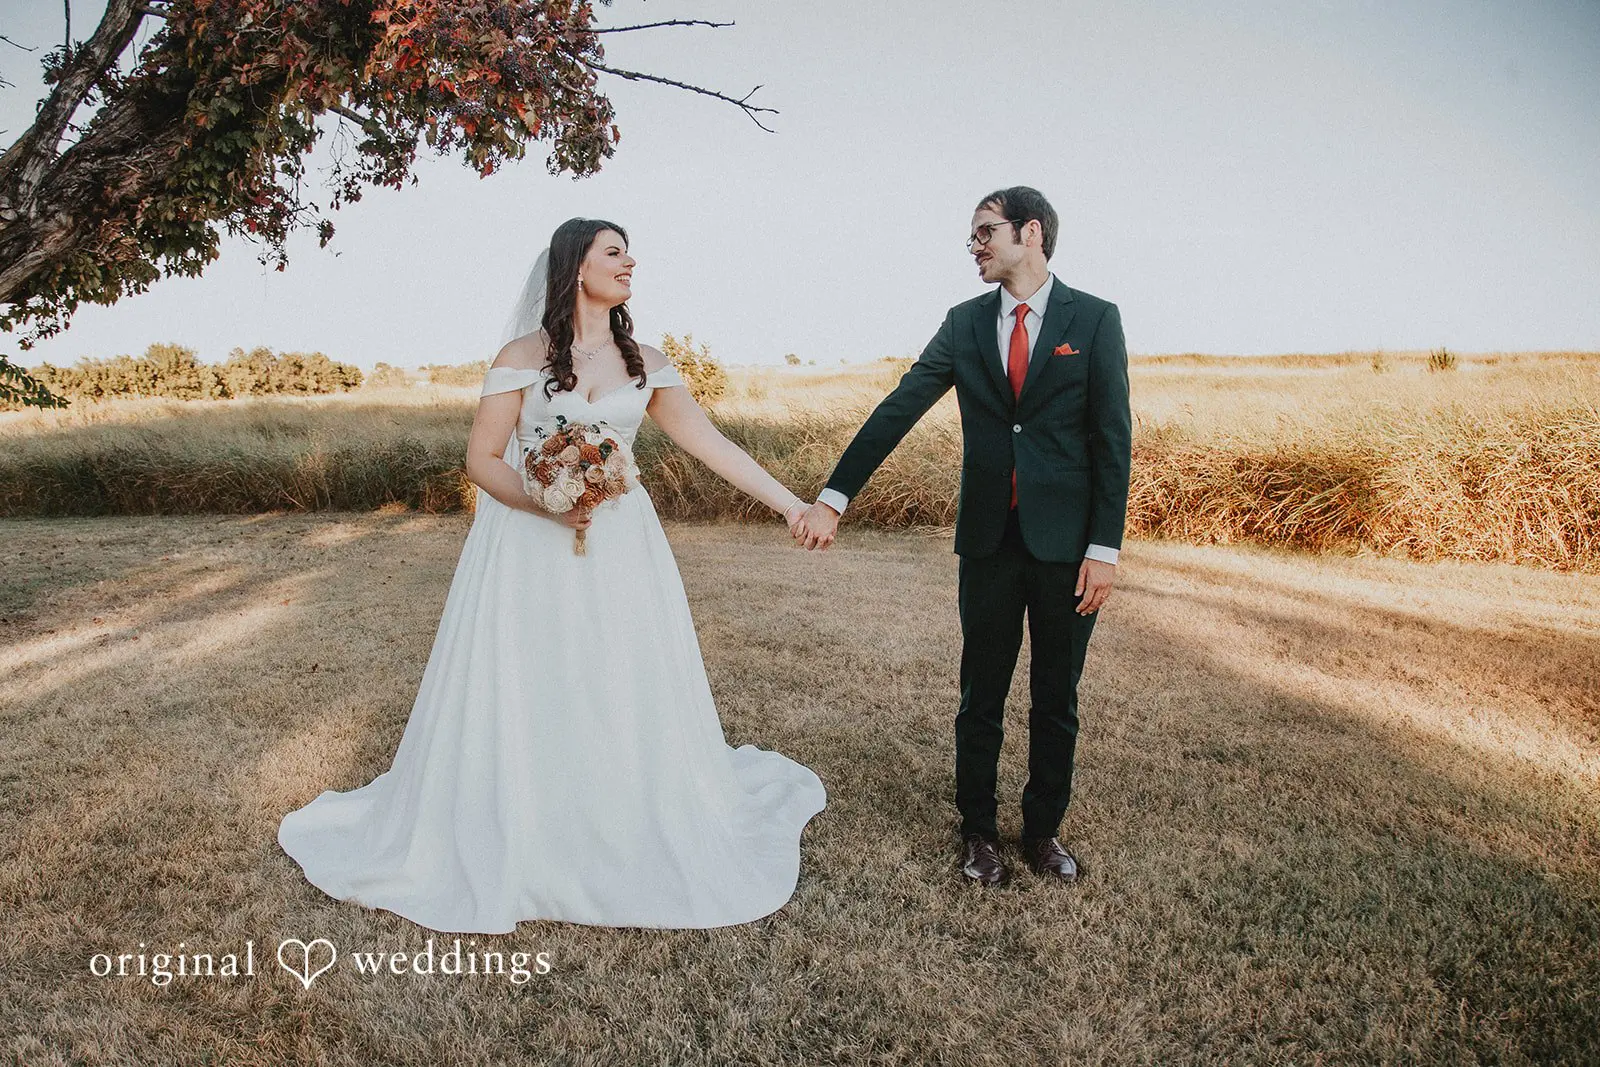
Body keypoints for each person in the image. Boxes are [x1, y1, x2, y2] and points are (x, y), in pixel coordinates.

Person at [278, 217, 827, 932]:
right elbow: (482, 459)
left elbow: (711, 444)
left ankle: (617, 811)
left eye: (628, 251)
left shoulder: (647, 360)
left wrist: (792, 505)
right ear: (575, 266)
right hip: (528, 542)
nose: (631, 262)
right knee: (533, 670)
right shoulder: (519, 356)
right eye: (614, 251)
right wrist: (545, 499)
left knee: (618, 673)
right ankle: (526, 819)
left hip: (623, 543)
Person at [794, 186, 1131, 887]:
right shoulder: (964, 323)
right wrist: (834, 496)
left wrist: (1104, 547)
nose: (973, 246)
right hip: (987, 541)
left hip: (1067, 548)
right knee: (981, 692)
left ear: (1030, 233)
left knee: (1056, 696)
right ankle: (977, 831)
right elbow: (900, 407)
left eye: (986, 232)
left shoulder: (1095, 320)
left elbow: (1112, 439)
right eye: (973, 235)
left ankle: (1042, 831)